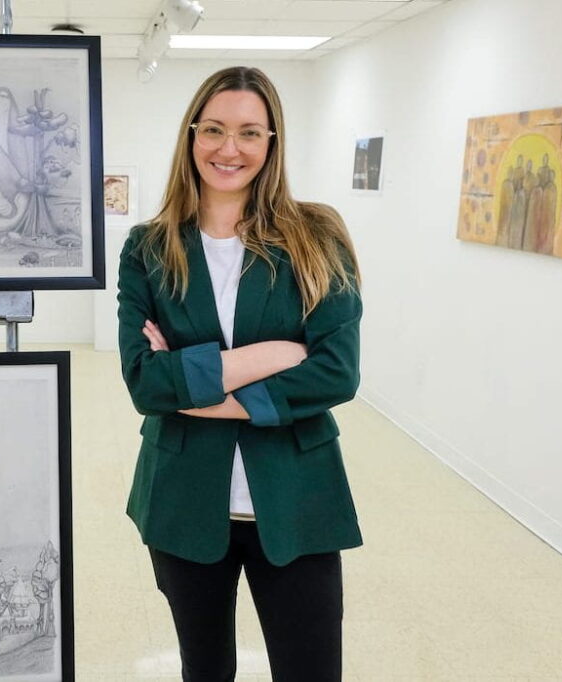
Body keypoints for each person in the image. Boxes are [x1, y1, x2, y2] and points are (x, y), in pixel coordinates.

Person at [116, 66, 363, 681]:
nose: (230, 149)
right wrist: (275, 355)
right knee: (205, 672)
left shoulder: (316, 236)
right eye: (215, 130)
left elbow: (336, 373)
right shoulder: (148, 248)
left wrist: (193, 384)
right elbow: (146, 383)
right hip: (184, 496)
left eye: (250, 132)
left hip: (296, 494)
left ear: (272, 142)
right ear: (191, 136)